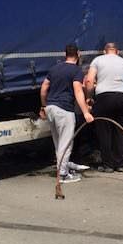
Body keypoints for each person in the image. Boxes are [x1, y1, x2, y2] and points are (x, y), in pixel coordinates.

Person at [40, 44, 94, 183]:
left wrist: (44, 105)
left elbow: (44, 88)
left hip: (51, 108)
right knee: (66, 143)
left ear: (65, 54)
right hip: (64, 110)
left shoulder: (54, 68)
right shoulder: (76, 70)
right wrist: (86, 112)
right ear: (78, 54)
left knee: (58, 143)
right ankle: (63, 174)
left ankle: (62, 167)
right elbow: (77, 91)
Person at [85, 42, 123, 172]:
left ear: (104, 51)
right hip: (122, 96)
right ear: (117, 52)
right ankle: (120, 164)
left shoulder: (98, 60)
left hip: (103, 96)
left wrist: (89, 97)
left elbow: (89, 81)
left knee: (104, 129)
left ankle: (108, 164)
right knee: (121, 129)